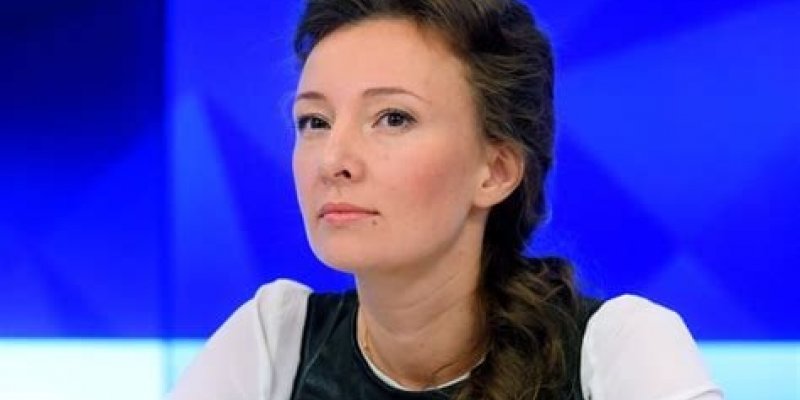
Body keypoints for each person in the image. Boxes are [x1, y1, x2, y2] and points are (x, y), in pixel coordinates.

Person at [168, 0, 723, 399]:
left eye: (393, 118)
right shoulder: (275, 343)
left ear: (496, 171)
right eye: (314, 121)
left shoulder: (619, 350)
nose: (333, 159)